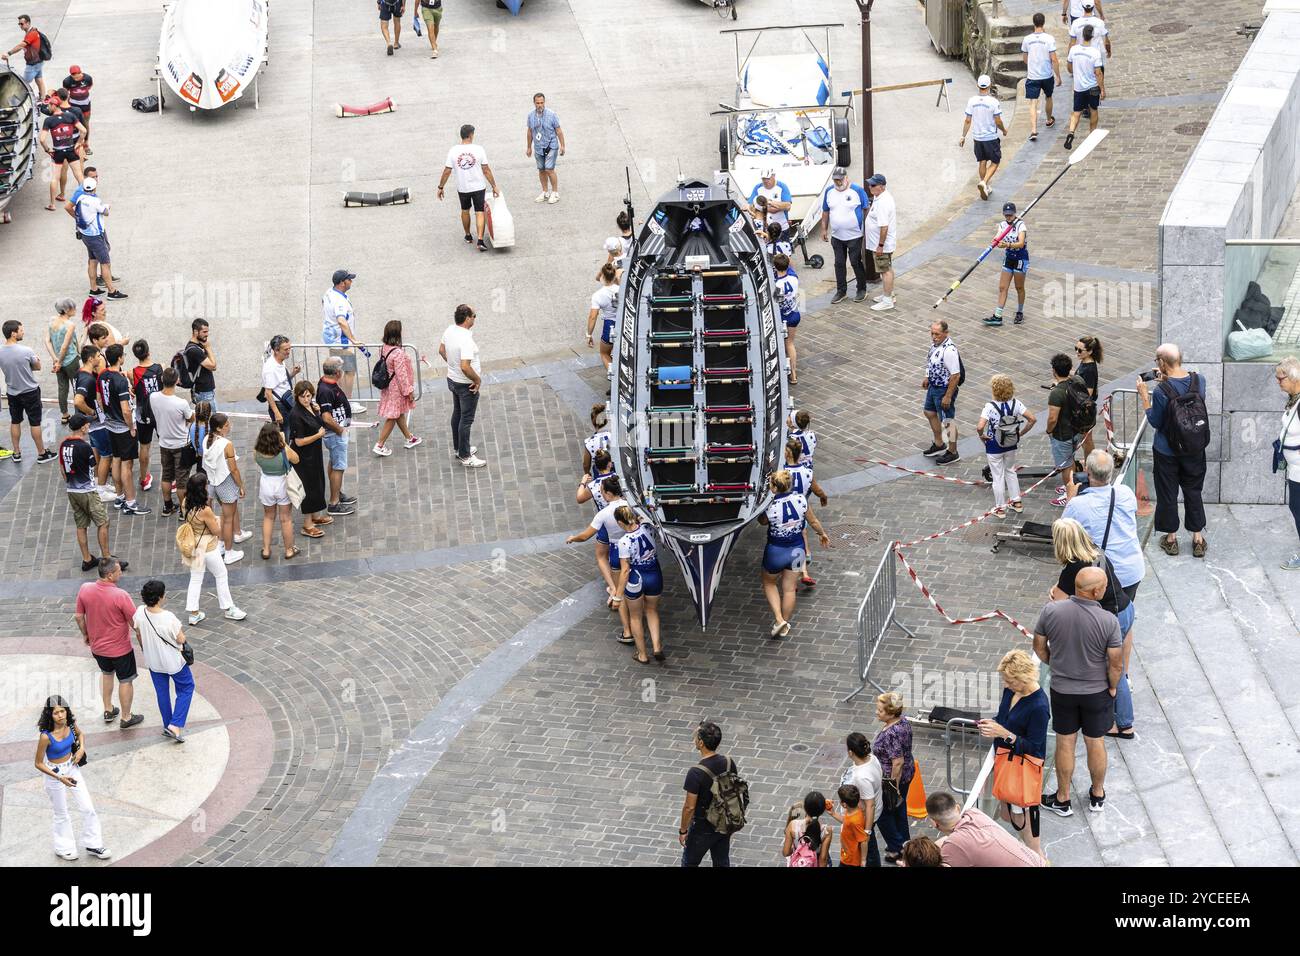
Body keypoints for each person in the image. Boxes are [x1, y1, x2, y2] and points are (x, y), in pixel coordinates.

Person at [1033, 566, 1121, 817]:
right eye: (1104, 585)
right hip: (1096, 692)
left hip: (1063, 689)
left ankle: (1062, 798)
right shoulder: (1108, 621)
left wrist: (1055, 662)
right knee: (1095, 742)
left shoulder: (1051, 611)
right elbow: (1115, 663)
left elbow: (1039, 645)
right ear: (1096, 592)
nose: (1106, 588)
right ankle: (1097, 793)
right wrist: (1112, 686)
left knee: (1065, 742)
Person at [1051, 517, 1135, 739]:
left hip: (1110, 618)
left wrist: (1054, 594)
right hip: (1125, 608)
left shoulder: (1074, 567)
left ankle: (1123, 724)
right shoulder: (1095, 551)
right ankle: (1122, 720)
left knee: (1113, 669)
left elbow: (1058, 604)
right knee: (1119, 665)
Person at [1138, 343, 1209, 558]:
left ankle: (1171, 539)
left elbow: (1157, 421)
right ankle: (1197, 539)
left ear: (1161, 362)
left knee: (1168, 494)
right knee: (1193, 491)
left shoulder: (1160, 391)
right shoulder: (1199, 380)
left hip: (1167, 451)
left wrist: (1144, 396)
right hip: (1194, 448)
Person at [978, 648, 1050, 858]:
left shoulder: (1039, 706)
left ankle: (1036, 857)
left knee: (1020, 815)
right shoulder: (1012, 691)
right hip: (1005, 760)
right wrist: (993, 724)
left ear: (1024, 678)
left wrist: (1004, 733)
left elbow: (1035, 747)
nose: (1006, 685)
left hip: (1021, 767)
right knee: (1008, 813)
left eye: (1010, 680)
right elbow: (1004, 717)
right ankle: (1029, 850)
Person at [34, 697, 112, 862]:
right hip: (54, 774)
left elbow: (80, 733)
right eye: (56, 713)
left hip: (72, 768)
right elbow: (38, 763)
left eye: (63, 711)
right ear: (50, 715)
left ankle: (93, 844)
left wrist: (81, 749)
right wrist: (59, 777)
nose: (61, 715)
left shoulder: (69, 724)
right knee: (61, 813)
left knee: (88, 807)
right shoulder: (45, 737)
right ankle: (64, 847)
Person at [1063, 450, 1144, 603]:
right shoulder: (1126, 493)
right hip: (1132, 570)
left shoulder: (1077, 505)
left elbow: (1062, 532)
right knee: (1121, 615)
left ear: (1087, 470)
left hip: (1102, 577)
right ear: (1111, 471)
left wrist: (1070, 498)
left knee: (1101, 622)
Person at [758, 470, 830, 639]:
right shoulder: (801, 500)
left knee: (769, 583)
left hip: (775, 550)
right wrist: (822, 534)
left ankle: (778, 618)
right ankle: (785, 622)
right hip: (797, 550)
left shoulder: (770, 506)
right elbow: (813, 521)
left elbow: (762, 522)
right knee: (789, 589)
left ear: (774, 487)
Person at [75, 557, 144, 728]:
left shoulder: (85, 589)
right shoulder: (120, 595)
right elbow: (136, 624)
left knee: (106, 674)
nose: (121, 573)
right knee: (125, 680)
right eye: (119, 571)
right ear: (110, 575)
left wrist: (86, 635)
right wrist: (143, 645)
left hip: (98, 648)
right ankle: (126, 717)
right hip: (120, 649)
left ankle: (108, 709)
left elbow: (78, 616)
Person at [566, 475, 633, 641]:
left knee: (621, 591)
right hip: (634, 548)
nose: (601, 494)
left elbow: (585, 536)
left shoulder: (604, 513)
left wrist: (573, 538)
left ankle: (627, 631)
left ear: (608, 494)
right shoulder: (631, 505)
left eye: (602, 492)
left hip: (618, 551)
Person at [179, 474, 247, 624]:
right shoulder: (204, 510)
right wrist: (220, 519)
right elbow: (217, 531)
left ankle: (193, 613)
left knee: (196, 578)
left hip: (194, 545)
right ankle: (228, 608)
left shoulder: (185, 502)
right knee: (221, 574)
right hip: (208, 547)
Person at [132, 580, 194, 743]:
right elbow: (180, 639)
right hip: (173, 661)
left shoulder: (139, 612)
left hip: (153, 661)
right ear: (160, 597)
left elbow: (138, 633)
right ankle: (175, 725)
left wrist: (146, 649)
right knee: (187, 687)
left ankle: (167, 725)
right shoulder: (168, 617)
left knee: (162, 692)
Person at [59, 414, 121, 571]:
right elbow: (94, 465)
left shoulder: (63, 445)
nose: (88, 426)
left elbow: (62, 469)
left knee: (81, 525)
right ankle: (107, 559)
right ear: (83, 427)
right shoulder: (84, 447)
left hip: (71, 490)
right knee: (103, 522)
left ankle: (87, 559)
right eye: (87, 424)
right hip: (87, 490)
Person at [926, 791, 1046, 866]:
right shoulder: (973, 813)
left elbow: (952, 844)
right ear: (957, 808)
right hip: (1039, 862)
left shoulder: (954, 845)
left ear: (934, 823)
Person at [679, 721, 740, 867]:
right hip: (724, 822)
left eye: (695, 736)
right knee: (721, 862)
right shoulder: (728, 762)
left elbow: (689, 807)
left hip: (702, 827)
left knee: (689, 863)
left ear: (700, 743)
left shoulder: (696, 772)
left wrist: (683, 830)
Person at [97, 343, 149, 515]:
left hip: (110, 424)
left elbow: (99, 400)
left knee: (116, 460)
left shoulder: (102, 376)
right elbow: (126, 409)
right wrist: (131, 427)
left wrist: (108, 415)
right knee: (127, 464)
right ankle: (131, 502)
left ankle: (119, 497)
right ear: (120, 358)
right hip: (122, 428)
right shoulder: (120, 380)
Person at [612, 505, 665, 664]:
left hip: (636, 578)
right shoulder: (648, 527)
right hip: (654, 574)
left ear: (620, 523)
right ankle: (657, 647)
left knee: (635, 617)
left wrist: (617, 596)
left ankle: (642, 654)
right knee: (652, 610)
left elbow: (625, 570)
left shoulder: (623, 542)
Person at [978, 373, 1036, 518]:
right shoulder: (1017, 404)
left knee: (998, 477)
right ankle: (1016, 502)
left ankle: (1000, 508)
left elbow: (980, 427)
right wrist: (1020, 434)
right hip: (1011, 443)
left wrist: (982, 436)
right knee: (1011, 470)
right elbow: (1032, 419)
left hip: (994, 445)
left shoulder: (990, 407)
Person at [438, 124, 500, 252]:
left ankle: (468, 235)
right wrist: (494, 186)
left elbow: (447, 171)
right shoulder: (479, 149)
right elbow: (486, 170)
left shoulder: (453, 151)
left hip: (463, 187)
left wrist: (441, 187)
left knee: (465, 210)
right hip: (478, 186)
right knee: (479, 212)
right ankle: (481, 240)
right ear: (471, 135)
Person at [0, 319, 55, 463]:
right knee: (35, 423)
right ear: (13, 333)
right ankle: (42, 453)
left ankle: (16, 453)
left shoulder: (0, 351)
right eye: (21, 330)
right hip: (30, 391)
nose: (23, 332)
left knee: (15, 421)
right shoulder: (26, 350)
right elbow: (37, 367)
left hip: (12, 392)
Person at [439, 304, 485, 467]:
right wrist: (477, 380)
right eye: (474, 315)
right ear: (467, 318)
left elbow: (441, 350)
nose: (474, 318)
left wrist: (451, 365)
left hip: (452, 379)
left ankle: (460, 448)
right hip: (466, 385)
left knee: (457, 414)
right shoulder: (465, 339)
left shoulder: (449, 330)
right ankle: (465, 456)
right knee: (466, 419)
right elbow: (465, 366)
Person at [872, 691, 915, 864]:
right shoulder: (903, 721)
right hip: (907, 774)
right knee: (898, 810)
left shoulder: (891, 734)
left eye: (880, 711)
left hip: (894, 779)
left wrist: (892, 787)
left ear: (891, 714)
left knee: (882, 813)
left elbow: (897, 762)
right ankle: (905, 846)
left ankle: (899, 847)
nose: (877, 712)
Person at [202, 413, 250, 564]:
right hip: (226, 484)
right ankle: (229, 553)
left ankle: (221, 545)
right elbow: (234, 469)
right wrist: (240, 485)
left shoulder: (206, 440)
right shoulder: (226, 444)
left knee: (224, 517)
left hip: (213, 484)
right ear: (219, 428)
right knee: (228, 519)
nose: (229, 427)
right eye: (227, 425)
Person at [819, 166, 871, 304]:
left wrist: (867, 229)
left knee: (855, 262)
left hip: (854, 235)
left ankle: (861, 289)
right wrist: (824, 229)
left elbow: (867, 209)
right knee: (839, 263)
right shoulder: (829, 192)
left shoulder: (857, 190)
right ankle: (841, 291)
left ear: (846, 178)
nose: (838, 182)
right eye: (835, 180)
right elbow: (825, 211)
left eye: (840, 180)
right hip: (837, 236)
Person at [287, 381, 331, 537]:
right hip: (304, 458)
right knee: (309, 488)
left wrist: (317, 413)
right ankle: (307, 525)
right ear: (297, 397)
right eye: (303, 396)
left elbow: (316, 422)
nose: (306, 399)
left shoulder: (311, 407)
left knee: (318, 483)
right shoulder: (296, 415)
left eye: (308, 395)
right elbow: (298, 441)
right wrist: (318, 435)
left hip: (314, 454)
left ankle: (315, 516)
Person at [783, 437, 828, 589]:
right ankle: (803, 572)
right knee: (799, 539)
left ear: (788, 454)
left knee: (786, 541)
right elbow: (816, 489)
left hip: (785, 508)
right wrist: (823, 497)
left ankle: (793, 577)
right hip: (802, 508)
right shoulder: (807, 472)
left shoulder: (782, 472)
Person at [372, 320, 422, 456]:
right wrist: (409, 391)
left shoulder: (384, 347)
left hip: (388, 387)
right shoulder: (398, 353)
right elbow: (402, 375)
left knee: (399, 413)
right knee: (393, 416)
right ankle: (380, 444)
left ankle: (409, 438)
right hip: (397, 389)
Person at [149, 367, 193, 517]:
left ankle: (167, 506)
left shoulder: (153, 397)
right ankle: (183, 510)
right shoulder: (181, 403)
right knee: (182, 480)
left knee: (166, 476)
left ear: (162, 380)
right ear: (177, 381)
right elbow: (190, 419)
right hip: (181, 444)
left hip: (164, 444)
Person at [321, 269, 367, 413]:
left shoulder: (329, 292)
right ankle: (347, 402)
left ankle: (339, 399)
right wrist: (353, 340)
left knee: (339, 371)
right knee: (349, 371)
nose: (351, 281)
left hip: (332, 339)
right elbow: (341, 320)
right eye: (349, 279)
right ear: (342, 283)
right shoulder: (339, 301)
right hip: (342, 342)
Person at [71, 179, 126, 298]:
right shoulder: (95, 201)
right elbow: (105, 212)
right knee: (105, 263)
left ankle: (94, 289)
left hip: (86, 234)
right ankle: (112, 291)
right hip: (96, 235)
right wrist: (107, 206)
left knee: (92, 261)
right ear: (94, 188)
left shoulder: (80, 199)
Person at [253, 422, 300, 560]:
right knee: (285, 519)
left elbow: (256, 461)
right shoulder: (284, 450)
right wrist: (284, 443)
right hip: (282, 484)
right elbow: (297, 459)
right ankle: (289, 550)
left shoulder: (257, 451)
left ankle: (266, 549)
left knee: (268, 517)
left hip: (266, 483)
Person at [317, 357, 358, 515]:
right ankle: (334, 503)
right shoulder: (326, 390)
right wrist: (340, 430)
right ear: (337, 373)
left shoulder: (326, 384)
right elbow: (326, 417)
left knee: (334, 463)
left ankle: (337, 492)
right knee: (339, 467)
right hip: (335, 434)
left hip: (335, 433)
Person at [1046, 352, 1088, 506]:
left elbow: (1052, 419)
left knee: (1065, 465)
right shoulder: (1078, 381)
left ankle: (1068, 491)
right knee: (1070, 460)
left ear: (1054, 370)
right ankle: (1071, 485)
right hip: (1078, 430)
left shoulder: (1056, 393)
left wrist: (1049, 431)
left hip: (1062, 434)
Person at [958, 75, 1008, 200]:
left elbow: (968, 120)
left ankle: (985, 185)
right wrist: (1004, 130)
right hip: (990, 137)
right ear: (990, 85)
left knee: (982, 161)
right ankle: (984, 182)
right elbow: (998, 121)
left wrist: (963, 136)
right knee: (995, 161)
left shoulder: (972, 101)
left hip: (977, 137)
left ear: (978, 86)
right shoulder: (993, 102)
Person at [922, 321, 961, 465]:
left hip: (943, 389)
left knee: (948, 421)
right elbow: (930, 361)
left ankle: (953, 451)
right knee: (929, 412)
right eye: (932, 333)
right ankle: (939, 444)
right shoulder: (935, 345)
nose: (933, 337)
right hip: (933, 386)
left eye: (937, 334)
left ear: (946, 333)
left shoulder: (949, 350)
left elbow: (955, 375)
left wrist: (948, 396)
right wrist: (927, 376)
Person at [38, 91, 85, 213]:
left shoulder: (49, 120)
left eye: (49, 105)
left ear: (54, 105)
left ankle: (52, 204)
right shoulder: (70, 116)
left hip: (58, 152)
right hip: (71, 149)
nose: (48, 107)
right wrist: (79, 143)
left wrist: (47, 149)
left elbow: (42, 139)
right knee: (79, 174)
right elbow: (83, 130)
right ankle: (86, 198)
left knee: (55, 177)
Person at [841, 732, 882, 866]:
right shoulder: (872, 758)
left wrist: (867, 831)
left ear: (851, 752)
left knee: (869, 851)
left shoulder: (861, 776)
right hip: (874, 811)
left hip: (865, 819)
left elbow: (870, 805)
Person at [985, 202, 1028, 326]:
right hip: (1009, 258)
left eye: (1010, 215)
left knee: (1019, 287)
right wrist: (996, 242)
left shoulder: (1020, 225)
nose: (1008, 217)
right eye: (1006, 215)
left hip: (1020, 258)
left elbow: (1020, 243)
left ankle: (1020, 312)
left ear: (1014, 213)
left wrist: (1007, 244)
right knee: (1002, 287)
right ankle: (998, 316)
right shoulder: (1003, 225)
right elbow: (997, 238)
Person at [1275, 357, 1300, 570]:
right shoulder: (1295, 398)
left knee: (1298, 508)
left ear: (1293, 378)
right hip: (1295, 468)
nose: (1278, 381)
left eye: (1280, 378)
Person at [130, 340, 163, 493]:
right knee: (166, 445)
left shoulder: (133, 373)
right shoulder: (160, 368)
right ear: (148, 352)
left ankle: (144, 479)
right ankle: (172, 479)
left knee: (144, 446)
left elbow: (134, 388)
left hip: (143, 415)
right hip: (160, 413)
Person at [1022, 13, 1061, 142]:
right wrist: (1058, 76)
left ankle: (1033, 130)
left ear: (1034, 23)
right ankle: (1049, 119)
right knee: (1048, 96)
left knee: (1033, 102)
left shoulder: (1027, 39)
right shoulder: (1049, 39)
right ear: (1043, 23)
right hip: (1046, 75)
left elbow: (1025, 59)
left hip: (1033, 76)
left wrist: (1033, 64)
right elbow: (1054, 59)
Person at [1063, 27, 1104, 150]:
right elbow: (1098, 73)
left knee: (1076, 112)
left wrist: (1075, 72)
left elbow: (1069, 68)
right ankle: (1092, 135)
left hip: (1079, 87)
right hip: (1092, 86)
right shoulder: (1095, 52)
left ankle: (1071, 132)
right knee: (1093, 110)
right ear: (1092, 37)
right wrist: (1101, 88)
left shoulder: (1074, 50)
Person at [45, 298, 82, 424]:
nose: (75, 310)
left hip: (58, 361)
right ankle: (79, 413)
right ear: (67, 310)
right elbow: (65, 346)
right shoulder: (70, 325)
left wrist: (55, 359)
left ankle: (65, 414)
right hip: (71, 360)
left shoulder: (52, 322)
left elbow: (47, 341)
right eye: (73, 308)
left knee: (62, 388)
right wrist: (59, 361)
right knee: (77, 386)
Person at [865, 173, 897, 312]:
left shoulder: (883, 202)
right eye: (869, 184)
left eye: (873, 185)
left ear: (882, 186)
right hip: (880, 243)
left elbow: (884, 226)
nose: (870, 187)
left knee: (885, 271)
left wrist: (880, 245)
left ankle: (887, 300)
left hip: (881, 245)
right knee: (887, 268)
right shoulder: (880, 197)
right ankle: (889, 294)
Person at [526, 92, 565, 203]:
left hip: (551, 145)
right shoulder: (530, 116)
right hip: (538, 147)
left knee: (549, 169)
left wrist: (563, 145)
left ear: (544, 102)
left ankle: (555, 192)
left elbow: (559, 131)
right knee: (541, 169)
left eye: (542, 103)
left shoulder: (552, 114)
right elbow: (529, 132)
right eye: (537, 103)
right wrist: (529, 147)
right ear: (534, 103)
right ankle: (545, 192)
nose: (540, 105)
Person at [773, 253, 801, 384]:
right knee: (790, 343)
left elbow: (777, 301)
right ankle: (794, 373)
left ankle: (785, 368)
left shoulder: (778, 284)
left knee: (783, 343)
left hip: (783, 316)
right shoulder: (794, 277)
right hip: (794, 314)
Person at [783, 791, 832, 867]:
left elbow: (786, 852)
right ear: (822, 811)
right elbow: (823, 860)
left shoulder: (792, 825)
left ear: (805, 808)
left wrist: (797, 850)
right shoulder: (826, 830)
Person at [585, 263, 619, 371]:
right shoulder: (622, 289)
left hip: (610, 325)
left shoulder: (598, 295)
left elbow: (592, 317)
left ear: (602, 276)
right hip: (625, 322)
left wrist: (589, 334)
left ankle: (613, 376)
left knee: (604, 353)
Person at [260, 335, 297, 431]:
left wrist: (293, 373)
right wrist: (277, 413)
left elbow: (282, 381)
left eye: (290, 348)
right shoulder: (271, 368)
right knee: (284, 436)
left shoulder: (280, 361)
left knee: (289, 432)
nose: (288, 351)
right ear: (276, 350)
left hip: (286, 402)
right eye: (285, 349)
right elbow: (268, 393)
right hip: (280, 406)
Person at [3, 15, 46, 97]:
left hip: (33, 64)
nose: (20, 26)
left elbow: (21, 45)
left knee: (23, 84)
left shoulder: (32, 34)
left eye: (22, 24)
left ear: (28, 23)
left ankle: (18, 101)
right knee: (39, 79)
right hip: (38, 61)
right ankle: (43, 98)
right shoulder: (31, 32)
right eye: (19, 24)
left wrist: (9, 53)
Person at [1075, 335, 1103, 457]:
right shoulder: (1084, 363)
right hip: (1084, 409)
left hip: (1085, 410)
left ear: (1090, 351)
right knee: (1086, 439)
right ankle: (1090, 464)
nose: (1077, 352)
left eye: (1080, 350)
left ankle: (1090, 464)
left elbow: (1088, 393)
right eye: (1075, 348)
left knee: (1087, 440)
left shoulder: (1089, 369)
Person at [828, 785, 868, 867]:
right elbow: (845, 821)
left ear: (844, 804)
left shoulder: (854, 821)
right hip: (847, 853)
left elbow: (863, 841)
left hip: (851, 859)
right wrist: (833, 814)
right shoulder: (853, 811)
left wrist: (863, 860)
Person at [184, 318, 217, 408]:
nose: (207, 335)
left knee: (203, 419)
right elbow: (213, 366)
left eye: (207, 332)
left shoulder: (197, 346)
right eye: (204, 332)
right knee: (211, 420)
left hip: (203, 391)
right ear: (195, 331)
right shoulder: (194, 350)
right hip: (204, 392)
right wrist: (208, 347)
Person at [62, 64, 93, 153]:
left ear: (81, 72)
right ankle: (74, 144)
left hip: (86, 105)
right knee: (74, 125)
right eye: (73, 76)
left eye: (77, 76)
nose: (76, 78)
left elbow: (89, 87)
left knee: (86, 124)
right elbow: (65, 93)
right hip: (73, 106)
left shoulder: (88, 78)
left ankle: (86, 144)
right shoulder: (67, 81)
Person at [581, 403, 609, 477]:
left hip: (599, 475)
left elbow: (586, 464)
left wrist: (587, 473)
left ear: (593, 422)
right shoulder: (614, 436)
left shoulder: (589, 442)